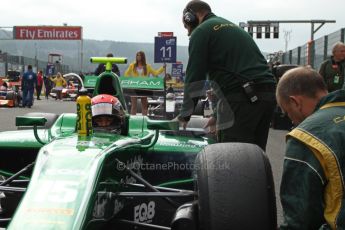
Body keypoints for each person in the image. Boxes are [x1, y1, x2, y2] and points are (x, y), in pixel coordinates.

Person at [177, 0, 276, 150]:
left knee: (233, 157)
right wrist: (217, 114)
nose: (188, 32)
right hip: (267, 95)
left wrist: (185, 114)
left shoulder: (201, 31)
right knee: (256, 156)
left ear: (190, 17)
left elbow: (195, 75)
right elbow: (234, 69)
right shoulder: (232, 27)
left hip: (241, 97)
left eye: (187, 27)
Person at [276, 66, 345, 229]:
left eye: (287, 113)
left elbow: (300, 221)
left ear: (295, 102)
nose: (292, 121)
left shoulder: (306, 137)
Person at [124, 50, 166, 115]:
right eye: (137, 55)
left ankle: (144, 119)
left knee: (144, 105)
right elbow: (126, 74)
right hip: (134, 86)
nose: (138, 57)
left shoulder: (147, 66)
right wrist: (130, 80)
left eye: (139, 55)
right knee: (134, 106)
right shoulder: (132, 65)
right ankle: (133, 120)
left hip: (144, 87)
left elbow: (155, 73)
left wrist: (162, 68)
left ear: (142, 57)